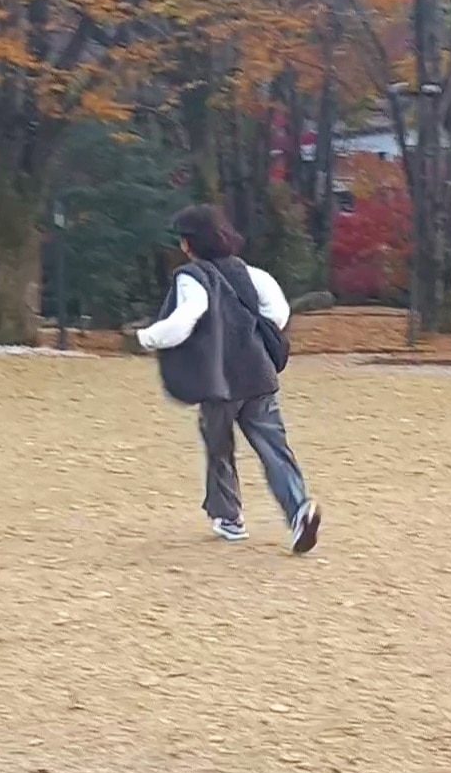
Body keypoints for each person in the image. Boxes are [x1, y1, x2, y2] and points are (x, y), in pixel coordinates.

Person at [136, 204, 321, 554]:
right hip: (259, 374)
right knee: (275, 449)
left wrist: (146, 338)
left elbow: (184, 320)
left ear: (189, 244)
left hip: (218, 379)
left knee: (218, 447)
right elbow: (278, 313)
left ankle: (229, 517)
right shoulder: (251, 273)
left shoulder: (193, 277)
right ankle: (298, 510)